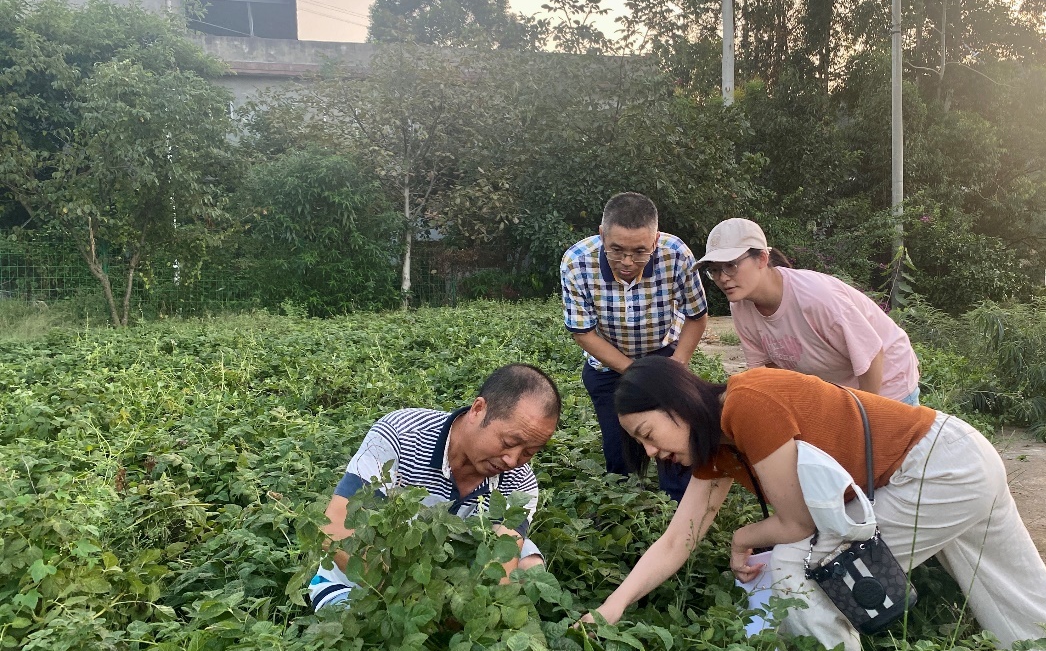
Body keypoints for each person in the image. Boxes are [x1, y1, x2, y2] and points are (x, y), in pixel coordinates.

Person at [580, 357, 1046, 651]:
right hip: (957, 456)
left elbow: (796, 523)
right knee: (1024, 598)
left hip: (934, 469)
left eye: (649, 433)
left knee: (800, 573)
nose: (653, 451)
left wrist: (743, 538)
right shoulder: (715, 449)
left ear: (677, 403)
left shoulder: (746, 404)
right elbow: (676, 540)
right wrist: (612, 607)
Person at [309, 363, 561, 610]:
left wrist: (465, 607)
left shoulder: (520, 480)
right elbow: (334, 527)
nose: (512, 461)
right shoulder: (402, 433)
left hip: (451, 572)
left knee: (529, 567)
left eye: (529, 452)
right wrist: (408, 600)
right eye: (508, 442)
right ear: (478, 410)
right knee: (363, 620)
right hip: (371, 573)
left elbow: (501, 567)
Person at [560, 192, 709, 501]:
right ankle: (624, 506)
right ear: (602, 235)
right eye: (616, 250)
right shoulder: (576, 262)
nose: (627, 262)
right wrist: (637, 374)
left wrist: (676, 366)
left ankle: (679, 505)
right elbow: (583, 333)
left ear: (655, 240)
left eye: (640, 251)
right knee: (619, 452)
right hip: (607, 365)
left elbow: (696, 315)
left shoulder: (676, 254)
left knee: (674, 439)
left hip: (664, 356)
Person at [697, 218, 921, 405]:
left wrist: (863, 420)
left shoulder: (815, 297)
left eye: (731, 265)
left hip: (888, 381)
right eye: (714, 270)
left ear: (762, 259)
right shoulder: (741, 307)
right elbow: (769, 371)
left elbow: (872, 355)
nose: (722, 278)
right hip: (839, 391)